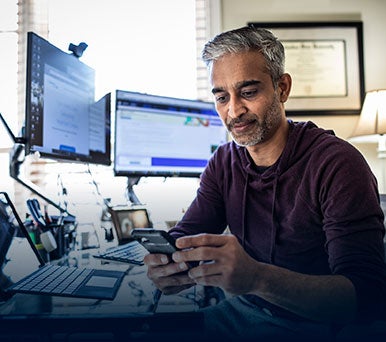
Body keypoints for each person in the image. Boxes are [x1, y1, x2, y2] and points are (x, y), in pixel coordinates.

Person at [143, 26, 386, 340]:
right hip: (246, 312)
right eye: (221, 97)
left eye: (248, 92)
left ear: (282, 88)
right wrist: (168, 266)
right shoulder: (224, 162)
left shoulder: (337, 164)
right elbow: (186, 235)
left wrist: (257, 278)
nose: (234, 110)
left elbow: (368, 298)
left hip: (322, 326)